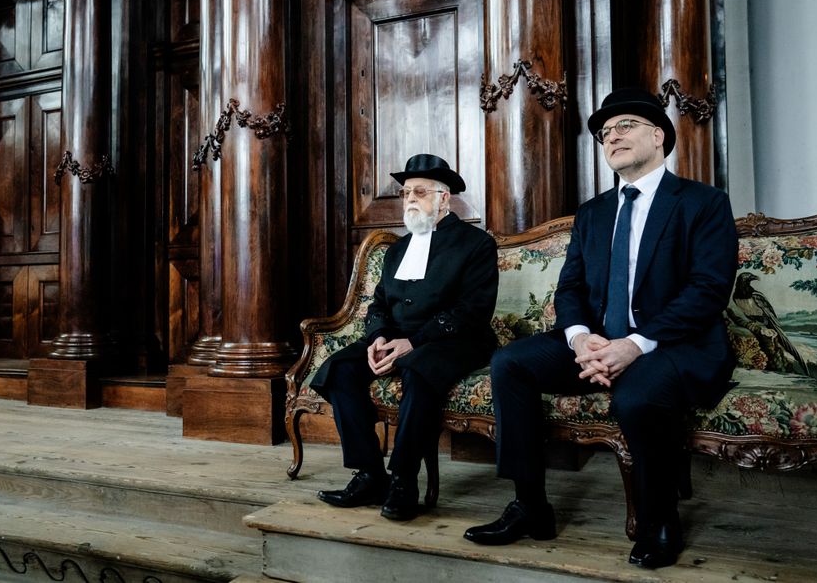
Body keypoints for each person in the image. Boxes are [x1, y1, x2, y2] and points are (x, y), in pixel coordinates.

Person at [463, 88, 738, 569]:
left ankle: (659, 518)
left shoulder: (703, 203)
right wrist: (579, 338)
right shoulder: (592, 214)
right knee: (511, 363)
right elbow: (569, 289)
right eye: (604, 133)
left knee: (636, 395)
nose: (612, 137)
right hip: (598, 340)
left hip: (673, 342)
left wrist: (633, 344)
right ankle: (530, 506)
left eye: (624, 125)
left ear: (658, 136)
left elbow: (708, 290)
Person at [311, 153, 499, 522]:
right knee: (339, 369)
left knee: (420, 368)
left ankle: (404, 480)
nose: (410, 198)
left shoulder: (475, 244)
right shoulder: (397, 249)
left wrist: (414, 342)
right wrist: (379, 337)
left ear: (444, 198)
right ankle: (369, 474)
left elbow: (471, 310)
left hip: (456, 340)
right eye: (405, 193)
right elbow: (378, 302)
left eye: (419, 191)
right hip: (397, 338)